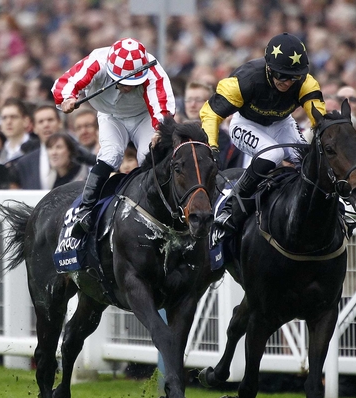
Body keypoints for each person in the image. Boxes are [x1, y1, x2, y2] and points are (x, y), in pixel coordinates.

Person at [200, 33, 326, 245]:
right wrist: (211, 147)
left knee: (309, 161)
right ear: (269, 67)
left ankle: (330, 211)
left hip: (282, 123)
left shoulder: (306, 82)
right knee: (273, 154)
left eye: (293, 77)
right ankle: (232, 206)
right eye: (281, 75)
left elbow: (319, 119)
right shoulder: (244, 80)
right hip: (245, 124)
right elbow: (211, 113)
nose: (287, 83)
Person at [52, 37, 175, 232]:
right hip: (110, 116)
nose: (128, 88)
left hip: (143, 117)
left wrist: (160, 130)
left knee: (148, 156)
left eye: (134, 82)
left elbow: (162, 108)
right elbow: (66, 82)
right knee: (111, 154)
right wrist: (67, 98)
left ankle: (157, 208)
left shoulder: (153, 71)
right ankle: (85, 209)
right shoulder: (96, 62)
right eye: (124, 83)